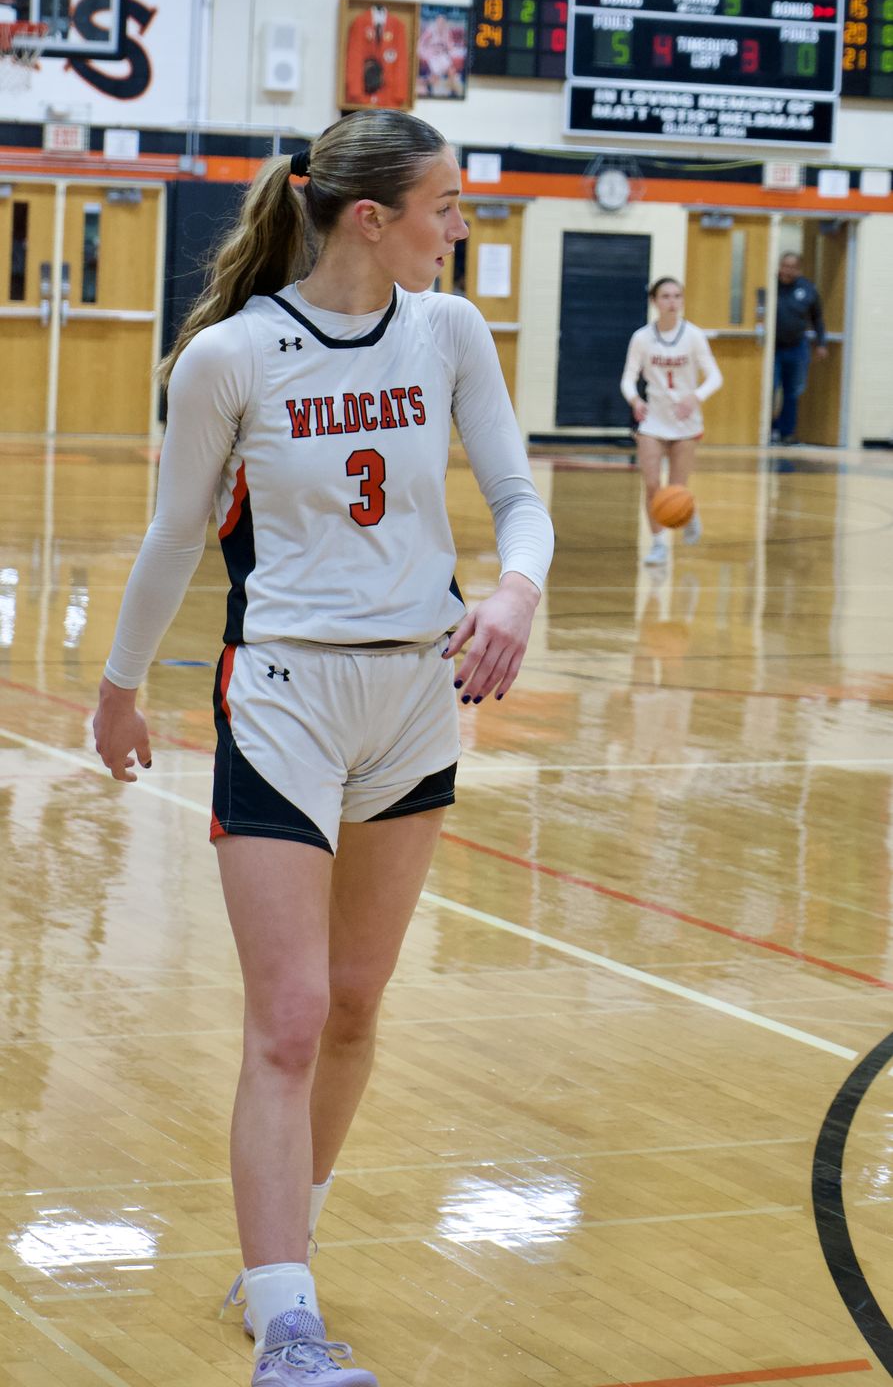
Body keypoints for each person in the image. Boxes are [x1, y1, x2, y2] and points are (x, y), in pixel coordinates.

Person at [92, 111, 553, 1387]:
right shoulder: (231, 356)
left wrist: (513, 592)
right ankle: (289, 1328)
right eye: (444, 205)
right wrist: (120, 687)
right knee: (290, 1013)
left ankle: (278, 1257)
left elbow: (516, 498)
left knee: (353, 1003)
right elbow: (175, 536)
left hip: (414, 696)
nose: (459, 226)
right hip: (284, 694)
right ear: (369, 216)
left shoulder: (448, 332)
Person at [620, 277, 723, 566]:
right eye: (665, 296)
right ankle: (658, 545)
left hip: (685, 423)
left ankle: (688, 512)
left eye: (677, 296)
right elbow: (628, 378)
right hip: (653, 421)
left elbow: (715, 377)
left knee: (677, 488)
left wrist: (695, 397)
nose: (672, 302)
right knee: (653, 485)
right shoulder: (642, 338)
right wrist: (635, 400)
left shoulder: (694, 336)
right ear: (654, 301)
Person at [772, 250, 827, 444]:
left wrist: (821, 343)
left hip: (797, 347)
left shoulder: (808, 289)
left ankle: (787, 433)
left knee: (792, 391)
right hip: (772, 348)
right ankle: (769, 430)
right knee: (770, 388)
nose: (787, 270)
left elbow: (817, 318)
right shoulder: (771, 285)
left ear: (799, 270)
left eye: (792, 267)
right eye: (784, 266)